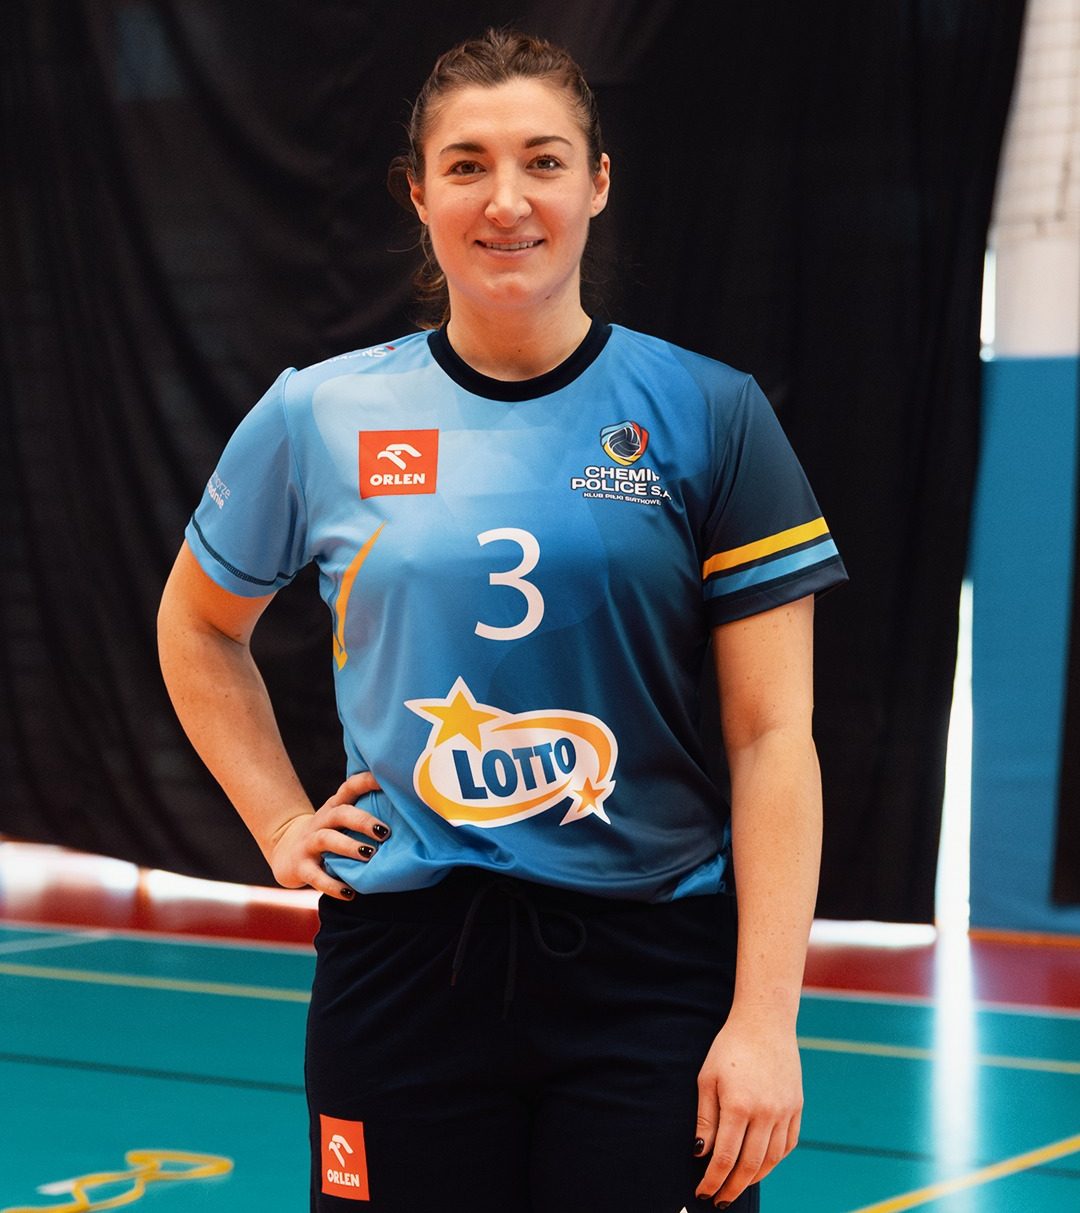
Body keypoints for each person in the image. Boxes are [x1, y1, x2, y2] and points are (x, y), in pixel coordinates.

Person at [157, 27, 847, 1213]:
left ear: (598, 183)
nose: (507, 199)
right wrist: (278, 819)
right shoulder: (319, 414)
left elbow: (772, 736)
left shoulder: (710, 412)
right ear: (418, 193)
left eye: (543, 159)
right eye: (467, 165)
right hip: (405, 967)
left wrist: (764, 1018)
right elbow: (198, 626)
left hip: (648, 971)